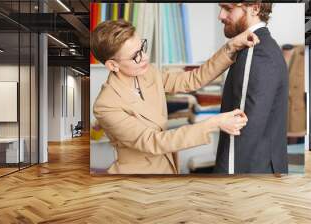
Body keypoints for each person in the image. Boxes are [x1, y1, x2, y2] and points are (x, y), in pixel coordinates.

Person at [91, 20, 259, 174]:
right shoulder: (105, 105)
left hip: (168, 167)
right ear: (112, 65)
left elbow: (192, 79)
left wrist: (230, 47)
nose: (145, 58)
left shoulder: (148, 73)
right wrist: (215, 123)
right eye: (135, 56)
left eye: (142, 48)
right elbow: (152, 141)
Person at [214, 2, 289, 174]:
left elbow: (240, 133)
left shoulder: (255, 51)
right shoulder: (265, 47)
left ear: (255, 8)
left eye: (228, 8)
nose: (221, 15)